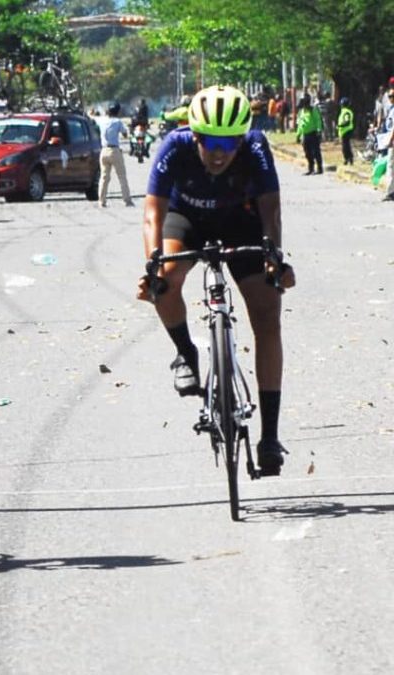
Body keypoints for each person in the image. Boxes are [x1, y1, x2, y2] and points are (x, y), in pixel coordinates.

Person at [138, 85, 296, 477]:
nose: (220, 151)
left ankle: (270, 436)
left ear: (242, 138)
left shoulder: (257, 148)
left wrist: (275, 257)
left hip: (241, 223)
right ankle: (186, 353)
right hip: (187, 218)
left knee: (267, 315)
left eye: (230, 141)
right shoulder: (174, 147)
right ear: (195, 135)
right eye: (211, 141)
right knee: (167, 279)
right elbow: (152, 215)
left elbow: (270, 212)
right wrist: (152, 266)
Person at [95, 101, 134, 207]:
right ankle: (127, 200)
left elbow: (94, 118)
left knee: (104, 178)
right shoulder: (117, 122)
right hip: (114, 150)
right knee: (122, 176)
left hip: (103, 151)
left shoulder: (102, 121)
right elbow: (125, 134)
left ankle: (101, 201)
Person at [295, 93, 323, 175]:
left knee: (316, 151)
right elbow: (300, 124)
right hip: (305, 135)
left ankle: (319, 168)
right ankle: (311, 168)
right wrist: (298, 135)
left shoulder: (313, 109)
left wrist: (319, 130)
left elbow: (318, 120)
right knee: (307, 153)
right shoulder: (301, 111)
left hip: (313, 134)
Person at [337, 97, 354, 166]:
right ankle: (348, 158)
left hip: (346, 131)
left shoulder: (346, 112)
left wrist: (340, 125)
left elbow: (347, 121)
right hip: (343, 131)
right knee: (346, 146)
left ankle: (348, 159)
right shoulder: (344, 111)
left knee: (345, 147)